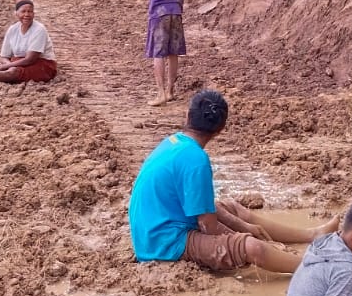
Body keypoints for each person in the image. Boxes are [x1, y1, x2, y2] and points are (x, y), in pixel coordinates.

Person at [129, 90, 303, 274]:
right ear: (220, 129)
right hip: (165, 244)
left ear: (187, 115)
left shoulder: (173, 142)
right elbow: (208, 227)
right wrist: (241, 236)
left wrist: (244, 227)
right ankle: (310, 266)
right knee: (252, 248)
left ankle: (311, 235)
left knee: (231, 209)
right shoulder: (196, 159)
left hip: (150, 232)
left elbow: (201, 209)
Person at [141, 0, 187, 106]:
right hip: (176, 12)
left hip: (158, 14)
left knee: (158, 54)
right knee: (173, 53)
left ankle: (160, 93)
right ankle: (170, 90)